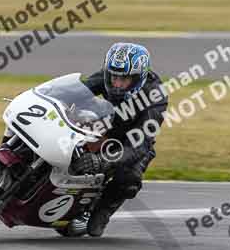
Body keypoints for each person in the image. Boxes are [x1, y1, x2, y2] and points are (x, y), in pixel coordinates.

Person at [70, 42, 168, 237]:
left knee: (129, 178)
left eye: (124, 79)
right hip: (104, 128)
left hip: (132, 142)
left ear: (138, 78)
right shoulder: (106, 77)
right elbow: (76, 92)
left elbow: (141, 144)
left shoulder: (155, 96)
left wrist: (103, 160)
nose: (116, 83)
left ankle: (102, 210)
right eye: (114, 76)